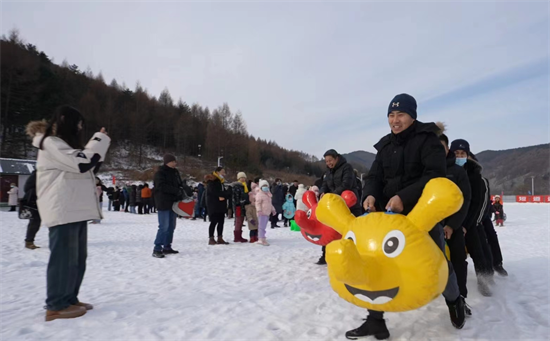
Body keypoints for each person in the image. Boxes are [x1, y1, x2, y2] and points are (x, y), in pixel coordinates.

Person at [353, 94, 465, 339]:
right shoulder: (384, 146)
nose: (395, 120)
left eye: (400, 115)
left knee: (437, 262)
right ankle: (375, 320)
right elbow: (373, 177)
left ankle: (454, 300)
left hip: (420, 214)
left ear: (412, 116)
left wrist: (404, 196)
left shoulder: (428, 141)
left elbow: (435, 176)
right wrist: (370, 195)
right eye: (391, 115)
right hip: (388, 215)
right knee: (376, 263)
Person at [26, 105, 110, 321]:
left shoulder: (62, 144)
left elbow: (89, 167)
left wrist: (99, 146)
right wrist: (98, 140)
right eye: (79, 124)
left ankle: (70, 298)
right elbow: (81, 163)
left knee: (77, 258)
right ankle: (55, 305)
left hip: (75, 207)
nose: (80, 129)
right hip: (62, 208)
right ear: (65, 121)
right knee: (63, 258)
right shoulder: (50, 143)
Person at [450, 139, 495, 297]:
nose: (459, 156)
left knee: (478, 252)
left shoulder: (475, 177)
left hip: (470, 222)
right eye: (456, 153)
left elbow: (477, 204)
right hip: (452, 221)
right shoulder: (447, 171)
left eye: (463, 154)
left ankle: (484, 280)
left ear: (468, 155)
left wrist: (467, 225)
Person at [438, 129, 472, 313]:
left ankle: (460, 298)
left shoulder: (457, 172)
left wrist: (453, 224)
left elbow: (465, 199)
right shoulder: (424, 170)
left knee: (458, 260)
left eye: (441, 147)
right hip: (429, 224)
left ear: (447, 149)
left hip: (453, 224)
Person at [317, 149, 363, 266]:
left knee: (352, 229)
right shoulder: (328, 172)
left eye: (330, 160)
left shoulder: (347, 167)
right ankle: (325, 254)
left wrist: (332, 196)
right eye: (326, 161)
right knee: (328, 227)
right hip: (333, 205)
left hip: (349, 203)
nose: (328, 163)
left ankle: (357, 255)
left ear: (336, 158)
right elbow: (324, 185)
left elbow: (346, 184)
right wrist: (322, 192)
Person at [152, 154, 192, 258]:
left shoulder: (175, 172)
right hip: (163, 202)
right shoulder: (160, 173)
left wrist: (184, 188)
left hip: (174, 203)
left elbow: (179, 184)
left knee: (171, 226)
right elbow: (161, 186)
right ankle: (157, 248)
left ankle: (167, 246)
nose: (175, 163)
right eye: (173, 161)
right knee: (164, 226)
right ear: (168, 162)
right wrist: (176, 190)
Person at [205, 167, 230, 245]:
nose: (224, 174)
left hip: (221, 205)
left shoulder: (221, 182)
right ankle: (211, 238)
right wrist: (224, 195)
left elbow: (223, 193)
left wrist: (226, 195)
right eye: (222, 172)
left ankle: (220, 237)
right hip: (214, 205)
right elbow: (215, 192)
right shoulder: (212, 181)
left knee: (221, 222)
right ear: (217, 172)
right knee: (214, 221)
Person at [23, 170, 41, 249]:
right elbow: (27, 187)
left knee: (53, 223)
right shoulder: (37, 172)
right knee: (35, 222)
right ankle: (29, 241)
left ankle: (55, 241)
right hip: (36, 201)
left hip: (49, 200)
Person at [255, 179, 276, 246]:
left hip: (267, 212)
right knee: (261, 226)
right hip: (262, 212)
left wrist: (273, 210)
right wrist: (259, 210)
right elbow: (257, 203)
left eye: (266, 186)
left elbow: (270, 204)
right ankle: (260, 238)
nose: (265, 187)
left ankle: (263, 237)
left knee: (264, 226)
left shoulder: (268, 194)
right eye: (264, 186)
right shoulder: (259, 194)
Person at [232, 172, 250, 242]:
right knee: (238, 221)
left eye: (244, 177)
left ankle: (240, 235)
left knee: (241, 220)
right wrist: (240, 202)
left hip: (243, 205)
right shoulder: (237, 186)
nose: (243, 179)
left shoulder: (244, 186)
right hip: (238, 206)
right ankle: (237, 237)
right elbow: (236, 197)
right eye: (241, 178)